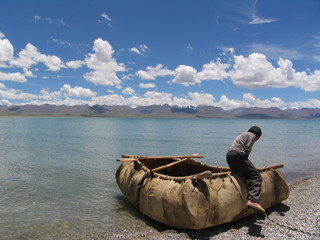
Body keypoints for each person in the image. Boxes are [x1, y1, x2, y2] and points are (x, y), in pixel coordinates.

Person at [226, 126, 265, 213]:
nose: (257, 139)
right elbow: (247, 149)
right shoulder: (252, 135)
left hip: (229, 156)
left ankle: (243, 196)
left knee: (242, 174)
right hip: (238, 155)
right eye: (258, 137)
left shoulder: (243, 135)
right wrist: (246, 162)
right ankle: (253, 200)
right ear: (258, 134)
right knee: (256, 176)